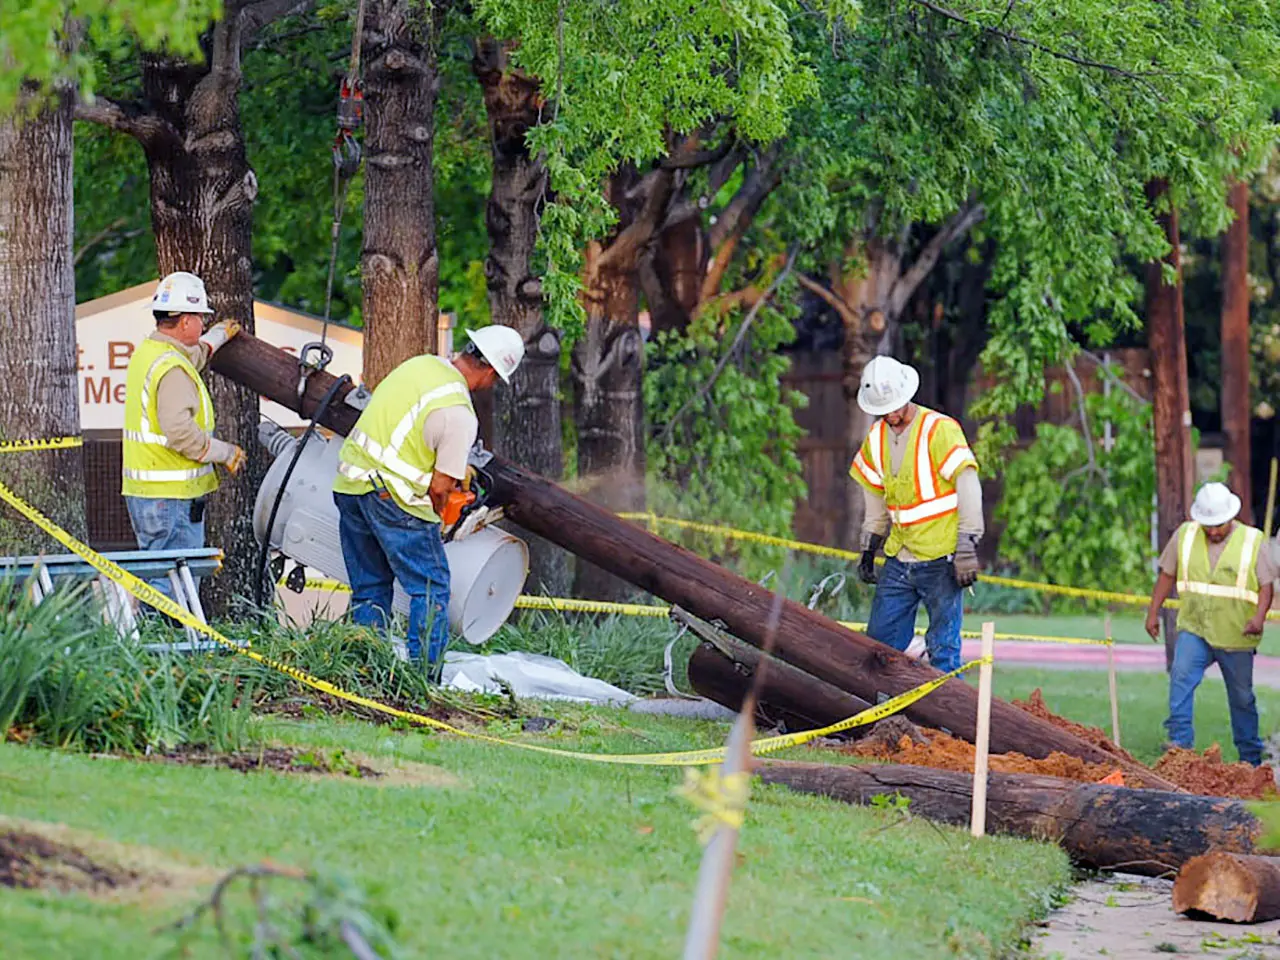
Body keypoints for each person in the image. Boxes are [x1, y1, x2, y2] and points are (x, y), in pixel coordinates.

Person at [332, 326, 525, 665]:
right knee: (431, 588)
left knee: (370, 586)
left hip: (350, 484)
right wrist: (438, 519)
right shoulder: (460, 414)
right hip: (392, 499)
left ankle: (366, 671)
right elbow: (439, 488)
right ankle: (423, 678)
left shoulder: (420, 365)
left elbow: (408, 428)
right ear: (493, 372)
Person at [847, 356, 983, 672]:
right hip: (899, 558)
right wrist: (869, 547)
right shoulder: (876, 439)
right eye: (884, 410)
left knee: (944, 652)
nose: (891, 414)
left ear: (907, 394)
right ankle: (888, 719)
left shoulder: (940, 430)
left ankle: (948, 722)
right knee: (879, 648)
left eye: (895, 406)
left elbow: (968, 486)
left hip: (941, 559)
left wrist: (967, 543)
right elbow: (876, 502)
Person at [122, 272, 244, 598]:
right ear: (185, 320)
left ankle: (156, 645)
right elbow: (181, 433)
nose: (203, 323)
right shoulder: (172, 369)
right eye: (202, 318)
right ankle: (167, 648)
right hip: (171, 498)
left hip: (154, 495)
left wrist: (215, 338)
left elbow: (192, 355)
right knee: (174, 586)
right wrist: (225, 452)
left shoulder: (153, 352)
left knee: (161, 579)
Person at [1145, 482, 1276, 765]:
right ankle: (1179, 749)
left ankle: (1250, 759)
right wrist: (1152, 611)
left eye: (1219, 525)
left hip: (1235, 635)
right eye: (1209, 525)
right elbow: (1167, 574)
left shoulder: (1253, 541)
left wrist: (1258, 618)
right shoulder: (1185, 536)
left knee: (1242, 699)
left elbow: (1266, 586)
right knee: (1180, 677)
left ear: (1231, 517)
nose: (1214, 531)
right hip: (1196, 628)